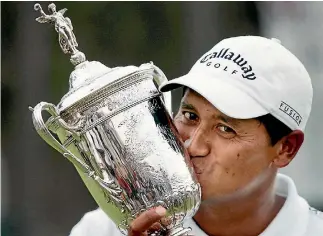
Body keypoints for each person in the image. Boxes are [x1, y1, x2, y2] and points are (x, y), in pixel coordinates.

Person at [69, 36, 323, 236]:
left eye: (226, 128)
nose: (193, 145)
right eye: (190, 116)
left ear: (285, 148)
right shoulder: (104, 230)